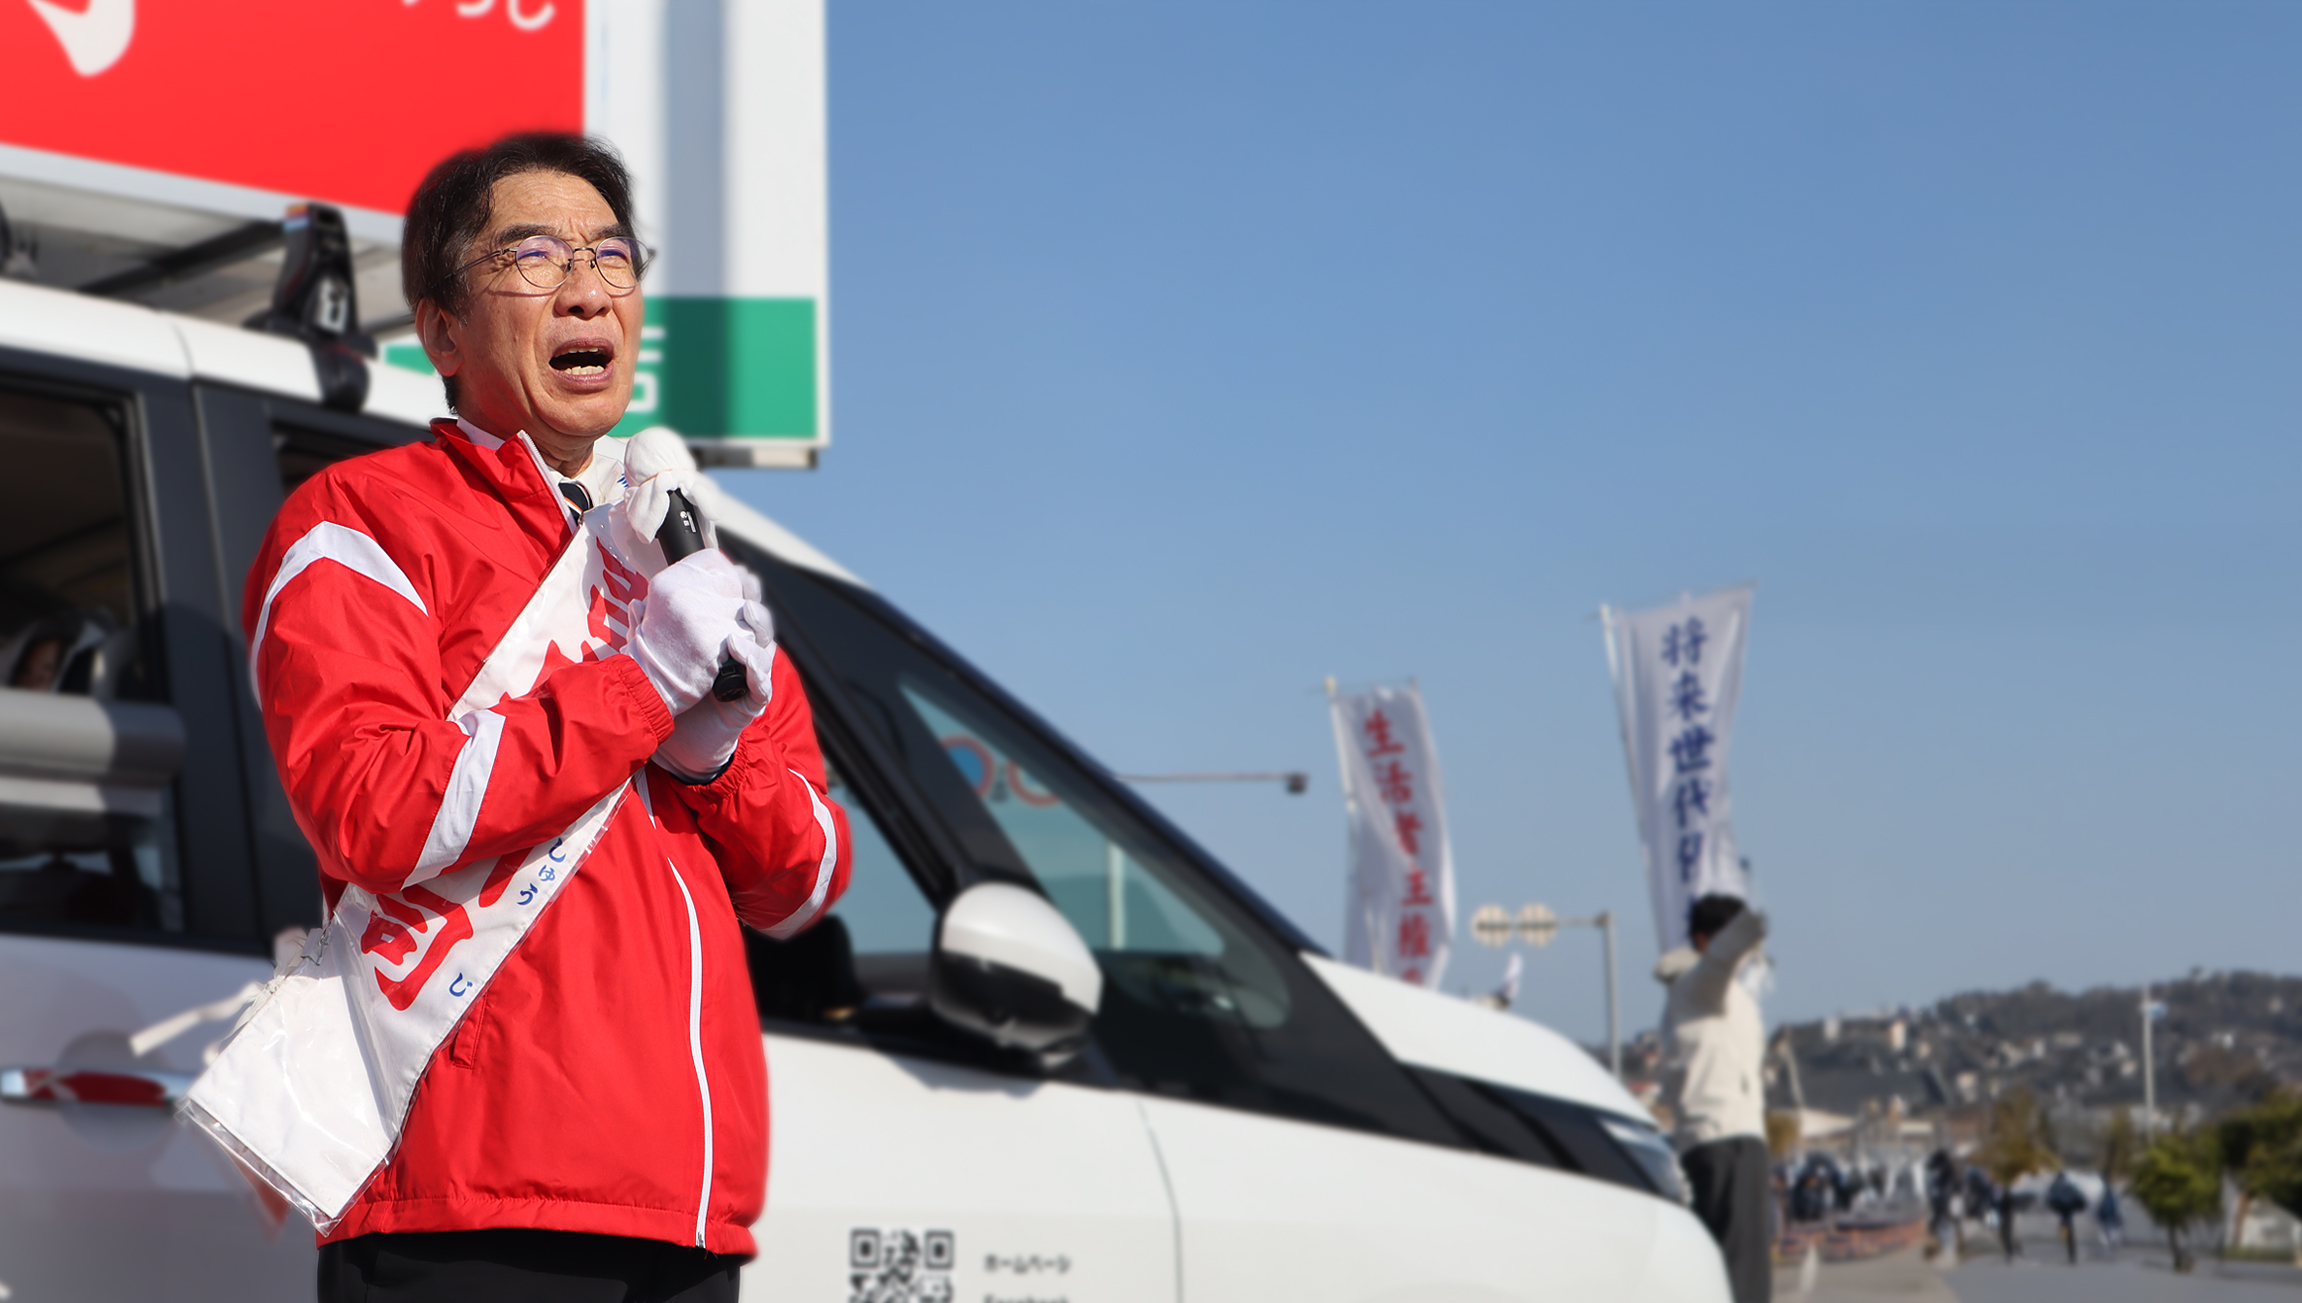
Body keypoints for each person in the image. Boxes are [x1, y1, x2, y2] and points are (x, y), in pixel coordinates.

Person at [241, 133, 851, 1302]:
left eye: (611, 258)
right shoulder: (360, 521)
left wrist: (715, 761)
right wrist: (637, 689)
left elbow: (808, 879)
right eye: (532, 257)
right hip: (464, 1208)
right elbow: (369, 810)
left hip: (685, 1213)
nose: (586, 289)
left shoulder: (683, 554)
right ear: (441, 332)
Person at [1656, 893, 1771, 1303]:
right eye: (1731, 938)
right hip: (1723, 1141)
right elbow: (1721, 960)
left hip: (1735, 1141)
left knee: (1744, 1272)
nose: (1745, 954)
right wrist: (1753, 923)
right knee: (1736, 1275)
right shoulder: (1700, 985)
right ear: (1703, 941)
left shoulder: (1719, 995)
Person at [2046, 1170, 2087, 1264]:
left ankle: (2066, 1246)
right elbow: (2078, 1196)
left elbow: (2050, 1198)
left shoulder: (2055, 1185)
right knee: (2069, 1227)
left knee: (2064, 1225)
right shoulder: (2069, 1185)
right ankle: (2072, 1253)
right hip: (2069, 1209)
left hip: (2062, 1209)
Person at [2096, 1179, 2125, 1257]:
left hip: (2106, 1217)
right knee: (2111, 1232)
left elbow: (2101, 1208)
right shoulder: (2112, 1196)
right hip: (2110, 1217)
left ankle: (2108, 1247)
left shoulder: (2104, 1196)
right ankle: (2110, 1246)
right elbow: (2114, 1208)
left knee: (2107, 1233)